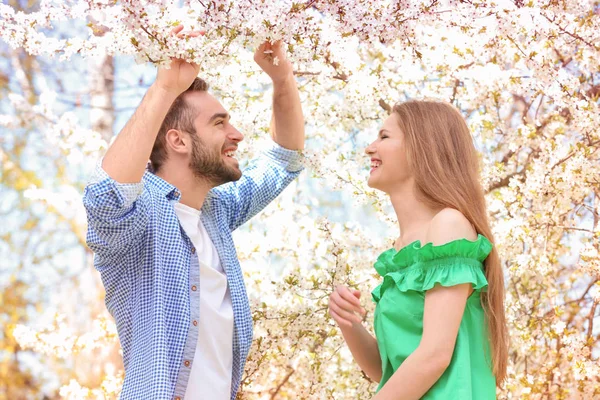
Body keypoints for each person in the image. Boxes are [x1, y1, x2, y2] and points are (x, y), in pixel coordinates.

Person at [83, 26, 304, 400]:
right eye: (219, 123)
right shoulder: (139, 218)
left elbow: (284, 160)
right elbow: (106, 196)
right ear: (178, 141)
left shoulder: (217, 212)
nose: (236, 134)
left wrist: (282, 78)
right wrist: (165, 88)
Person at [328, 100, 508, 399]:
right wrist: (349, 323)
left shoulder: (449, 226)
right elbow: (388, 373)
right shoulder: (402, 252)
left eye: (384, 137)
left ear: (421, 148)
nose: (370, 148)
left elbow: (434, 357)